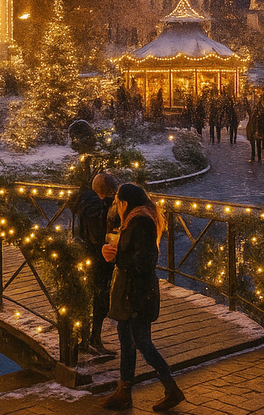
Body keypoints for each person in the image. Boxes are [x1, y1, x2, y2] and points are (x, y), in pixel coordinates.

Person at [100, 184, 184, 412]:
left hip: (138, 294)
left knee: (142, 343)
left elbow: (145, 261)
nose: (116, 209)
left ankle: (171, 389)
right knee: (127, 342)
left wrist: (117, 258)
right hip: (131, 292)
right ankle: (124, 391)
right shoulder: (136, 219)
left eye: (117, 203)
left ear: (125, 203)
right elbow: (134, 251)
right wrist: (114, 249)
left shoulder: (141, 221)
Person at [71, 169, 119, 355]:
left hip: (84, 254)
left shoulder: (84, 203)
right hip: (101, 257)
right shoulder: (105, 209)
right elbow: (103, 235)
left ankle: (84, 337)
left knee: (86, 295)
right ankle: (94, 338)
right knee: (100, 296)